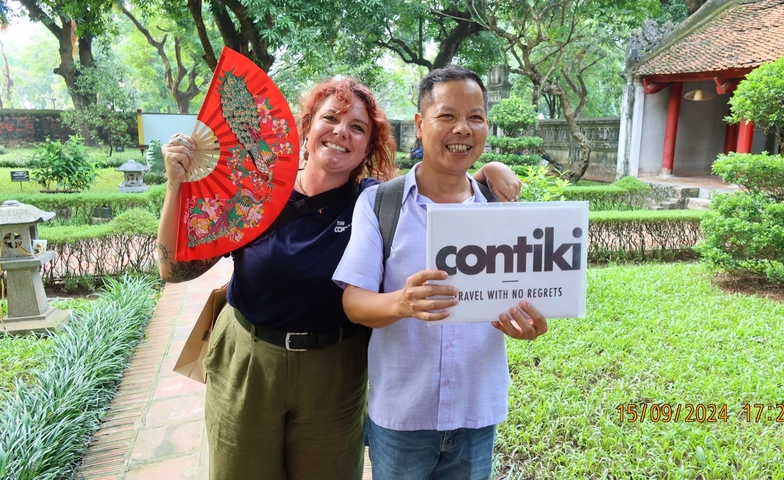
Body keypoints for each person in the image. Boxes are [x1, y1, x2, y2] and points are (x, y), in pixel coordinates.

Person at [156, 77, 523, 480]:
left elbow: (439, 178)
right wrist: (177, 184)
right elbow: (174, 270)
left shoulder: (372, 202)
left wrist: (488, 171)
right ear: (307, 126)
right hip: (249, 361)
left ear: (369, 146)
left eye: (358, 128)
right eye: (330, 118)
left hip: (335, 371)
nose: (341, 133)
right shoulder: (254, 194)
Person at [333, 65, 549, 480]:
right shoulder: (381, 205)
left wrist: (530, 322)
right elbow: (353, 302)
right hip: (402, 415)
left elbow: (525, 294)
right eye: (447, 116)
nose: (462, 129)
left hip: (476, 412)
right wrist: (402, 302)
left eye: (476, 117)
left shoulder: (503, 211)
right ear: (420, 124)